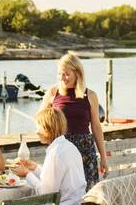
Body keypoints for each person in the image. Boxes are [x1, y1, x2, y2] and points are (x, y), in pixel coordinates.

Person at [41, 53, 107, 187]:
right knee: (62, 191)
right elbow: (40, 120)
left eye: (66, 74)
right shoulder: (53, 93)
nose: (62, 78)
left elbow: (96, 127)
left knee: (89, 194)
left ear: (77, 73)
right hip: (61, 150)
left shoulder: (90, 95)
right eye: (60, 74)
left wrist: (103, 157)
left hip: (85, 151)